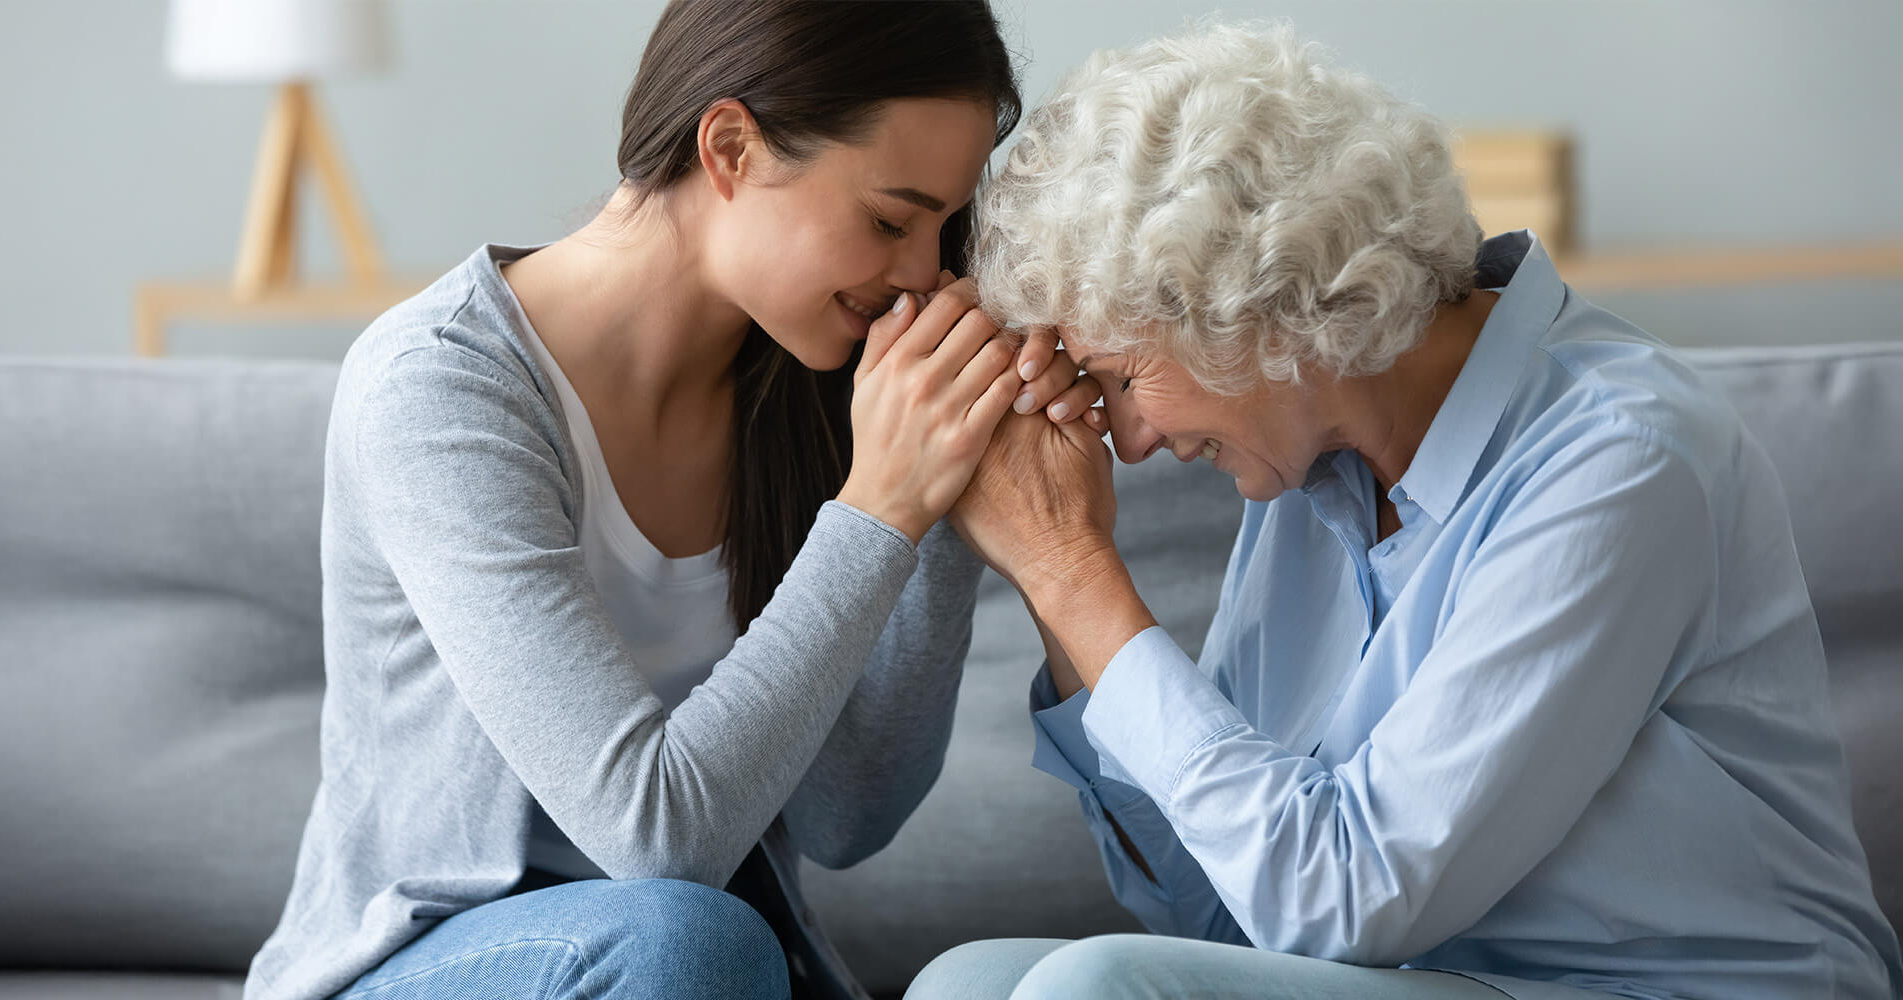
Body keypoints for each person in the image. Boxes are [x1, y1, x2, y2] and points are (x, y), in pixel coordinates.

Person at [914, 21, 1903, 1000]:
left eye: (1120, 378)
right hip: (1443, 980)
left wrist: (1072, 571)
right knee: (969, 983)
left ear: (1254, 308)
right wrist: (1058, 580)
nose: (1124, 442)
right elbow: (1217, 914)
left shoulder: (1621, 457)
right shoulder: (1307, 474)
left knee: (1095, 985)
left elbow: (1343, 901)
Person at [244, 3, 1105, 999]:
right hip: (431, 963)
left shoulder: (819, 380)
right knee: (689, 939)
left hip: (691, 965)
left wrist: (952, 477)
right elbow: (656, 838)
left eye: (941, 229)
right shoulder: (439, 389)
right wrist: (882, 506)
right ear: (730, 147)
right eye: (887, 218)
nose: (920, 273)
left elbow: (847, 817)